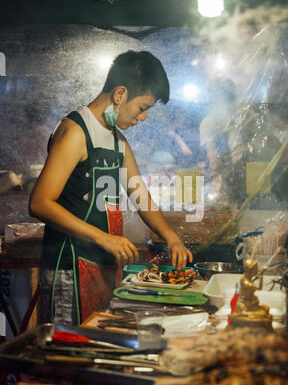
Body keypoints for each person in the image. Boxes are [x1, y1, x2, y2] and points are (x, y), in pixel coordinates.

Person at [29, 50, 193, 326]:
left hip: (104, 268)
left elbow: (140, 195)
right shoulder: (75, 132)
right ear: (120, 94)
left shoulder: (118, 141)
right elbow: (40, 203)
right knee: (70, 355)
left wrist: (170, 236)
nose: (142, 119)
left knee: (98, 350)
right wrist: (102, 237)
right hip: (70, 268)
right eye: (142, 108)